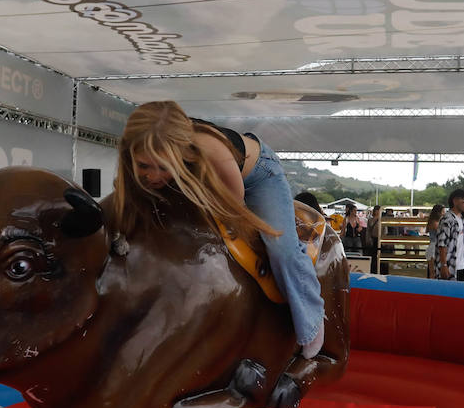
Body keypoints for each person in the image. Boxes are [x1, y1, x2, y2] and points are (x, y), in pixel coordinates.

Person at [112, 101, 325, 357]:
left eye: (164, 167)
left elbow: (234, 205)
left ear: (181, 154)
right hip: (198, 179)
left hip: (256, 176)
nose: (154, 176)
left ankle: (311, 323)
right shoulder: (133, 163)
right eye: (144, 166)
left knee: (280, 246)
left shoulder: (210, 149)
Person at [434, 189, 464, 281]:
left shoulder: (461, 219)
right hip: (450, 267)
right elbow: (442, 244)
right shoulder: (447, 219)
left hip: (461, 266)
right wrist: (444, 265)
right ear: (455, 201)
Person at [424, 203, 444, 279]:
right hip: (433, 247)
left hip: (433, 246)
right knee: (433, 272)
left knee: (433, 272)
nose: (444, 214)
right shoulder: (435, 223)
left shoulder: (433, 221)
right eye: (442, 212)